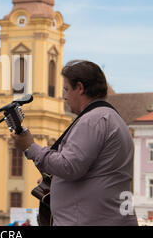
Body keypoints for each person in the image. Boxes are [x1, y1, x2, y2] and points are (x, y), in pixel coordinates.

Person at [11, 60, 138, 226]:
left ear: (80, 88)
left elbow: (70, 166)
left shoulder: (92, 120)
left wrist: (31, 147)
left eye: (66, 89)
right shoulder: (112, 118)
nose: (64, 97)